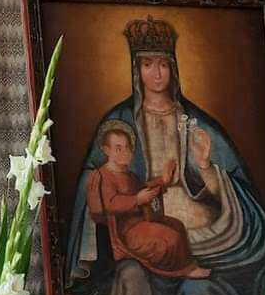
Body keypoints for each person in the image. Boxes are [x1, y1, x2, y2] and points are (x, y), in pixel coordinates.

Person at [66, 15, 265, 295]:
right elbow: (94, 182)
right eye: (148, 65)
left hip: (199, 225)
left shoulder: (197, 122)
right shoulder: (119, 121)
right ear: (136, 70)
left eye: (163, 65)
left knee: (251, 249)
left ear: (173, 68)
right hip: (143, 223)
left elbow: (234, 180)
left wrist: (206, 166)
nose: (157, 74)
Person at [87, 120, 212, 280]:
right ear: (106, 150)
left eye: (128, 147)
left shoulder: (129, 175)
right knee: (169, 237)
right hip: (125, 232)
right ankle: (184, 271)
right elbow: (106, 205)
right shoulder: (101, 176)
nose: (125, 152)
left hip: (143, 221)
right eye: (118, 148)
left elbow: (143, 189)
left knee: (177, 225)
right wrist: (137, 200)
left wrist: (163, 180)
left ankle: (188, 266)